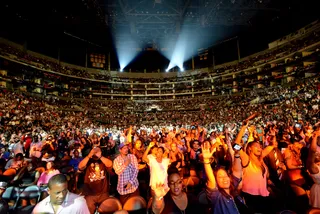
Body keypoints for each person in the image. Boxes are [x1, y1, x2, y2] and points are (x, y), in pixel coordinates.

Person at [78, 147, 113, 214]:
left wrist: (100, 156)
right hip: (90, 193)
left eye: (97, 151)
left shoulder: (103, 160)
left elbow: (110, 164)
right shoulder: (88, 161)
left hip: (103, 192)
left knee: (105, 211)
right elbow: (80, 166)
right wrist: (89, 156)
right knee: (89, 211)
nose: (95, 152)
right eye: (94, 151)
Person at [307, 128, 320, 208]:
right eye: (316, 154)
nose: (318, 154)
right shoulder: (314, 168)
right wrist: (315, 137)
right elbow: (312, 151)